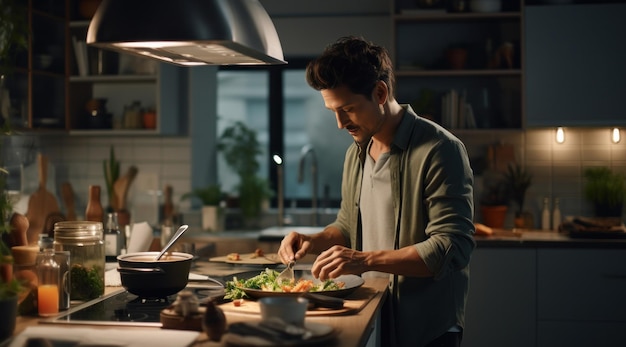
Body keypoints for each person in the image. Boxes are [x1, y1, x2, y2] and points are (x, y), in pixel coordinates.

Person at [277, 36, 476, 347]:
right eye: (333, 111)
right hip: (375, 317)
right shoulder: (355, 154)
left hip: (426, 328)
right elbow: (346, 226)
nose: (340, 123)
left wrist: (364, 260)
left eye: (348, 109)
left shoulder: (440, 149)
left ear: (380, 93)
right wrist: (311, 241)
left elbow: (451, 247)